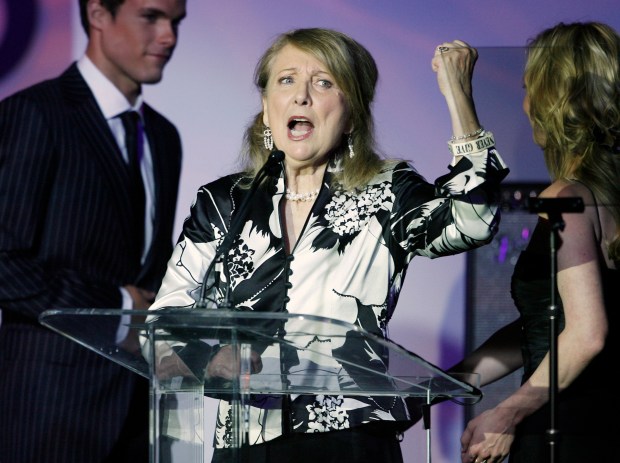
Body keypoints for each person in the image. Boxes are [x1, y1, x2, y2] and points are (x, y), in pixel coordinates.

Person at [147, 27, 508, 463]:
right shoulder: (224, 202)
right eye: (286, 80)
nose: (301, 96)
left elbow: (473, 220)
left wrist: (457, 96)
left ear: (351, 114)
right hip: (243, 443)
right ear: (266, 108)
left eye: (323, 82)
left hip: (349, 442)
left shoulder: (387, 191)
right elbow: (165, 323)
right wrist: (211, 358)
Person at [0, 0, 186, 462]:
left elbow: (151, 266)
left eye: (175, 22)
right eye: (152, 17)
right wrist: (119, 309)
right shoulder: (34, 115)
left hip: (139, 413)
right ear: (98, 14)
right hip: (47, 413)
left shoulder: (163, 136)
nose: (169, 37)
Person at [451, 21, 620, 463]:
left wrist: (507, 413)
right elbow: (546, 325)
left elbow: (586, 333)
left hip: (567, 434)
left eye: (529, 88)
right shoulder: (604, 197)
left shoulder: (567, 197)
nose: (523, 104)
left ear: (554, 100)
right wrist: (452, 380)